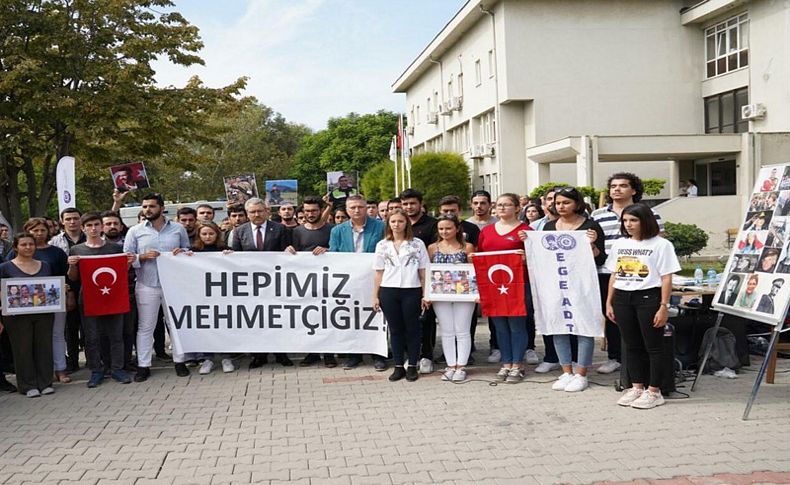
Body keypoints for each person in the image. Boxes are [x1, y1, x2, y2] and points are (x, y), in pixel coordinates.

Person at [605, 203, 681, 409]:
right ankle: (637, 386)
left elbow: (666, 277)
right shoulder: (620, 244)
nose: (628, 225)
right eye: (625, 221)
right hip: (622, 297)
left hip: (648, 297)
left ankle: (654, 390)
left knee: (653, 346)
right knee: (631, 345)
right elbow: (614, 273)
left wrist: (663, 305)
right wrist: (609, 302)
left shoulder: (661, 245)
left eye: (633, 220)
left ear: (645, 221)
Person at [591, 173, 665, 376]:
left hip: (641, 275)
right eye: (613, 186)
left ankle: (641, 361)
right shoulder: (597, 215)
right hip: (607, 271)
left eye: (623, 186)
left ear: (633, 190)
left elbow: (659, 240)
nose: (617, 189)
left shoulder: (649, 213)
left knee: (641, 321)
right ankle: (615, 357)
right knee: (614, 316)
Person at [540, 187, 606, 392]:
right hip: (556, 284)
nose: (561, 206)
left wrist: (593, 244)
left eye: (566, 202)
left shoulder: (590, 226)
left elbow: (601, 257)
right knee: (558, 325)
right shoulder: (549, 227)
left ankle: (581, 373)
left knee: (583, 326)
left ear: (577, 204)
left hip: (582, 285)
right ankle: (566, 371)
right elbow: (542, 255)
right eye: (558, 203)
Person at [124, 193, 191, 381]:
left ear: (162, 208)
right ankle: (143, 365)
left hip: (173, 285)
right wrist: (142, 257)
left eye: (151, 206)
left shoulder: (178, 229)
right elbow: (126, 258)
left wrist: (182, 252)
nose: (147, 210)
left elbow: (188, 252)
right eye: (144, 207)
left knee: (175, 324)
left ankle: (180, 361)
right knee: (146, 326)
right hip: (147, 284)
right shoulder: (135, 231)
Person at [67, 213, 134, 388]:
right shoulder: (77, 250)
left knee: (116, 335)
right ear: (83, 228)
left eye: (97, 224)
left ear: (102, 226)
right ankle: (97, 370)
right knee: (92, 336)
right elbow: (73, 278)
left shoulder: (114, 248)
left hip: (113, 296)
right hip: (88, 298)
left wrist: (128, 263)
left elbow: (121, 273)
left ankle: (117, 368)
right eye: (89, 226)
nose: (93, 228)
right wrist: (72, 265)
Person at [230, 197, 293, 368]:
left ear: (266, 211)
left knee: (278, 318)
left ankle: (281, 354)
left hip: (276, 282)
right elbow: (235, 258)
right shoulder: (239, 232)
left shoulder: (280, 229)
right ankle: (259, 355)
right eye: (252, 212)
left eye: (259, 211)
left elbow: (288, 253)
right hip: (251, 285)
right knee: (256, 320)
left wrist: (289, 251)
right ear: (247, 214)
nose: (256, 214)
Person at [477, 193, 532, 383]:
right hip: (493, 285)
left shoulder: (525, 230)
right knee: (500, 326)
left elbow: (537, 257)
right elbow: (481, 256)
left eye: (507, 205)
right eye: (499, 205)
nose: (501, 208)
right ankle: (506, 362)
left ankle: (517, 364)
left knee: (516, 325)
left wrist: (526, 257)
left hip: (517, 285)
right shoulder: (487, 231)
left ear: (517, 208)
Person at [9, 219, 70, 384]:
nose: (39, 233)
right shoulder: (11, 258)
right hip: (22, 309)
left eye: (42, 230)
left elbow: (63, 276)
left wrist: (64, 290)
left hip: (50, 303)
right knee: (28, 342)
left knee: (53, 337)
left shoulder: (54, 255)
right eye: (34, 230)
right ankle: (33, 378)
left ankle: (56, 371)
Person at [329, 195, 386, 370]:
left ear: (366, 208)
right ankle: (354, 355)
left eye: (360, 207)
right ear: (347, 210)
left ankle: (378, 355)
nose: (356, 210)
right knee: (352, 316)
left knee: (376, 316)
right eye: (352, 207)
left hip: (374, 279)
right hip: (350, 281)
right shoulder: (337, 231)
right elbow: (334, 254)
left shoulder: (380, 227)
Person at [372, 209, 430, 382]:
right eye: (393, 222)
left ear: (407, 223)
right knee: (395, 329)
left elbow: (423, 271)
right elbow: (378, 273)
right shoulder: (382, 245)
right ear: (388, 224)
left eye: (400, 221)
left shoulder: (417, 244)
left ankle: (412, 364)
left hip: (411, 290)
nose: (397, 225)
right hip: (389, 291)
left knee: (412, 329)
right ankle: (398, 365)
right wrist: (375, 296)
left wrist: (425, 294)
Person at [0, 233, 56, 397]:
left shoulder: (45, 265)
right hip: (16, 316)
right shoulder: (5, 267)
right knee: (22, 349)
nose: (28, 247)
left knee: (44, 346)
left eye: (31, 244)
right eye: (23, 244)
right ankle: (27, 385)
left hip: (44, 313)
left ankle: (45, 382)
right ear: (16, 247)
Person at [178, 221, 236, 375]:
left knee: (223, 326)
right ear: (199, 235)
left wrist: (232, 258)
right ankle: (207, 359)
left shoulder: (225, 250)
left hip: (222, 296)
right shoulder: (193, 251)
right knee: (205, 327)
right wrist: (182, 256)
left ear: (217, 234)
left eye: (211, 233)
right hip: (201, 297)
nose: (208, 237)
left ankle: (226, 357)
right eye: (204, 234)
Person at [286, 196, 337, 368]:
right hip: (305, 282)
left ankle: (329, 353)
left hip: (329, 281)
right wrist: (289, 250)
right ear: (302, 212)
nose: (310, 214)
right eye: (307, 211)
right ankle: (313, 352)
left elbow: (340, 251)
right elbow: (292, 254)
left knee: (328, 316)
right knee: (310, 317)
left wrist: (328, 250)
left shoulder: (332, 230)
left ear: (320, 210)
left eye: (314, 210)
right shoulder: (297, 231)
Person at [427, 214, 475, 382]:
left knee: (462, 330)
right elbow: (428, 271)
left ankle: (461, 366)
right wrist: (427, 294)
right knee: (447, 331)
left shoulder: (467, 247)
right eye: (441, 229)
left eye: (448, 228)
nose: (444, 231)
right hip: (440, 294)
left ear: (457, 228)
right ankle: (450, 365)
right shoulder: (433, 248)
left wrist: (476, 293)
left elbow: (473, 271)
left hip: (464, 294)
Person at [400, 188, 440, 374]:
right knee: (407, 322)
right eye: (405, 204)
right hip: (403, 282)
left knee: (426, 320)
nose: (409, 207)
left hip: (425, 280)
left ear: (420, 204)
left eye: (412, 203)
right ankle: (411, 355)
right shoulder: (398, 223)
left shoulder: (432, 224)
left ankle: (427, 355)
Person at [49, 207, 86, 372]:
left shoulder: (91, 237)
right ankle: (72, 362)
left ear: (80, 220)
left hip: (90, 287)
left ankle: (93, 359)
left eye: (75, 218)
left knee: (89, 326)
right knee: (70, 328)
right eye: (68, 219)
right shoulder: (54, 242)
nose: (72, 222)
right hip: (66, 288)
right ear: (62, 221)